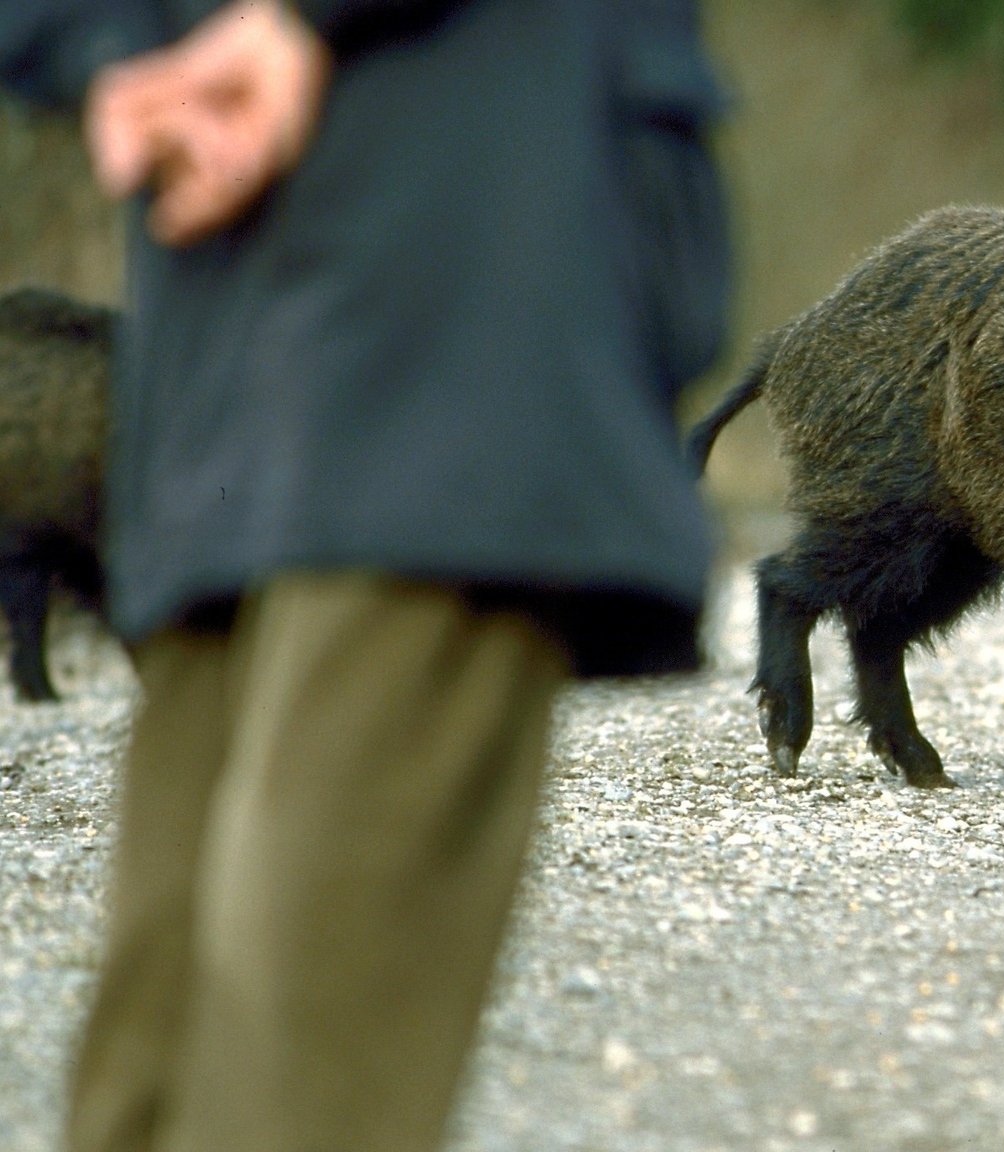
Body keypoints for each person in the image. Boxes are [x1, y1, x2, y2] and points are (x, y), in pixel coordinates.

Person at [0, 1, 730, 1149]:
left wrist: (150, 55)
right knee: (221, 1077)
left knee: (216, 1068)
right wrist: (144, 54)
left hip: (324, 316)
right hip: (359, 305)